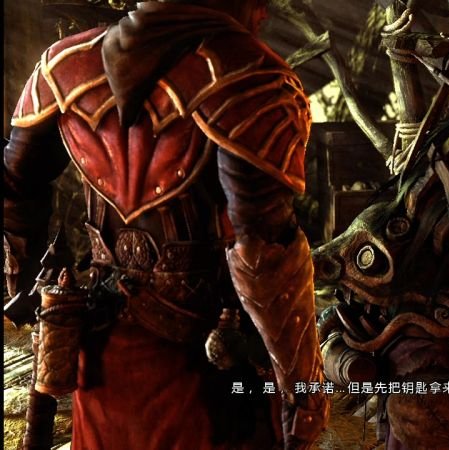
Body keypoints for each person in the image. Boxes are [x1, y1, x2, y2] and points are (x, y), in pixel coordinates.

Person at [3, 0, 329, 448]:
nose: (263, 14)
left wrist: (21, 285)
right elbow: (264, 252)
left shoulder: (63, 67)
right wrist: (303, 391)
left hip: (102, 354)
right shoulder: (251, 76)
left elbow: (14, 187)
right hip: (208, 367)